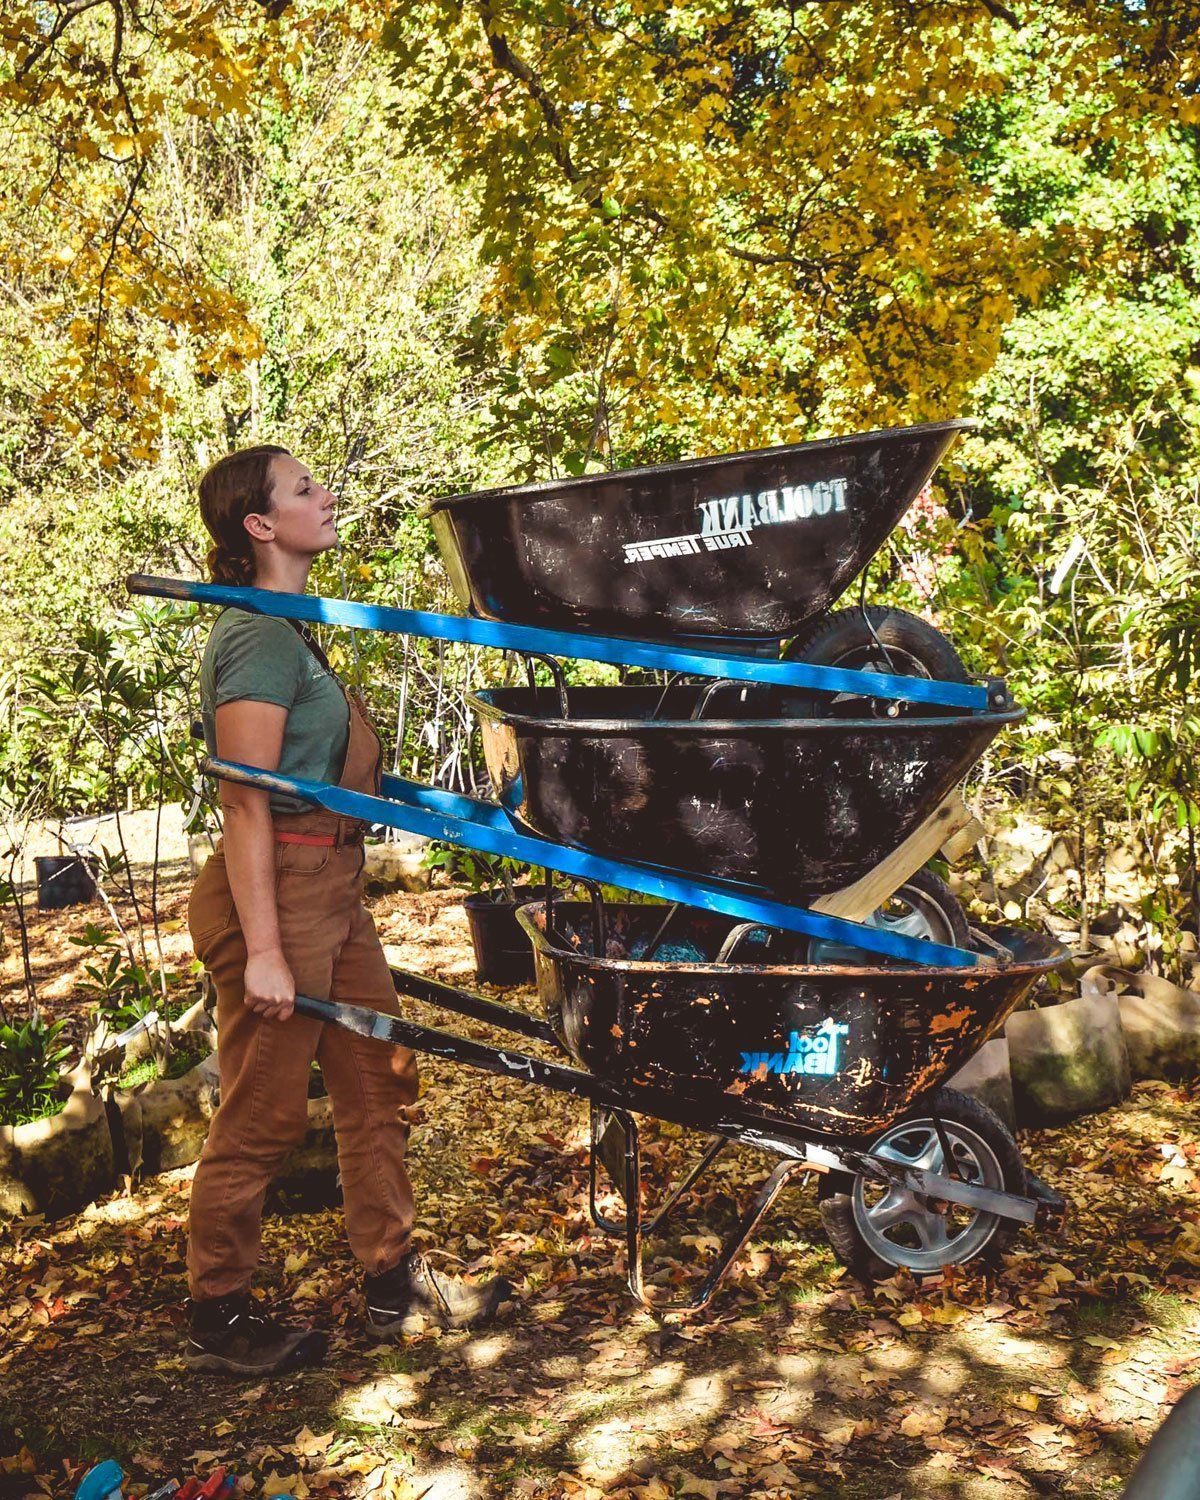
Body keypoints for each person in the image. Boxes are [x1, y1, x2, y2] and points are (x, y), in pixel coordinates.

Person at [185, 444, 509, 1375]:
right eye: (304, 488)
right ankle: (219, 1311)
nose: (325, 495)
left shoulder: (292, 627)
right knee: (264, 1110)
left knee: (378, 1080)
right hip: (278, 895)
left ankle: (392, 1279)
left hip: (331, 885)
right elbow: (245, 800)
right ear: (260, 525)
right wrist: (264, 951)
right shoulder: (255, 636)